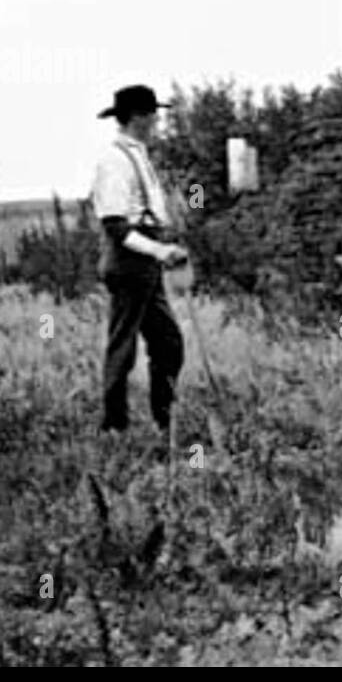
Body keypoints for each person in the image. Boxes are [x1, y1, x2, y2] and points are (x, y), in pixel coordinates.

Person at [90, 85, 188, 434]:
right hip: (128, 261)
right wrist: (160, 250)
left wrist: (162, 248)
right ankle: (114, 427)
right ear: (137, 117)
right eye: (152, 114)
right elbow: (115, 225)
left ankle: (165, 422)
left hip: (145, 262)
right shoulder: (114, 159)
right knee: (124, 347)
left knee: (168, 344)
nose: (157, 120)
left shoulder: (137, 154)